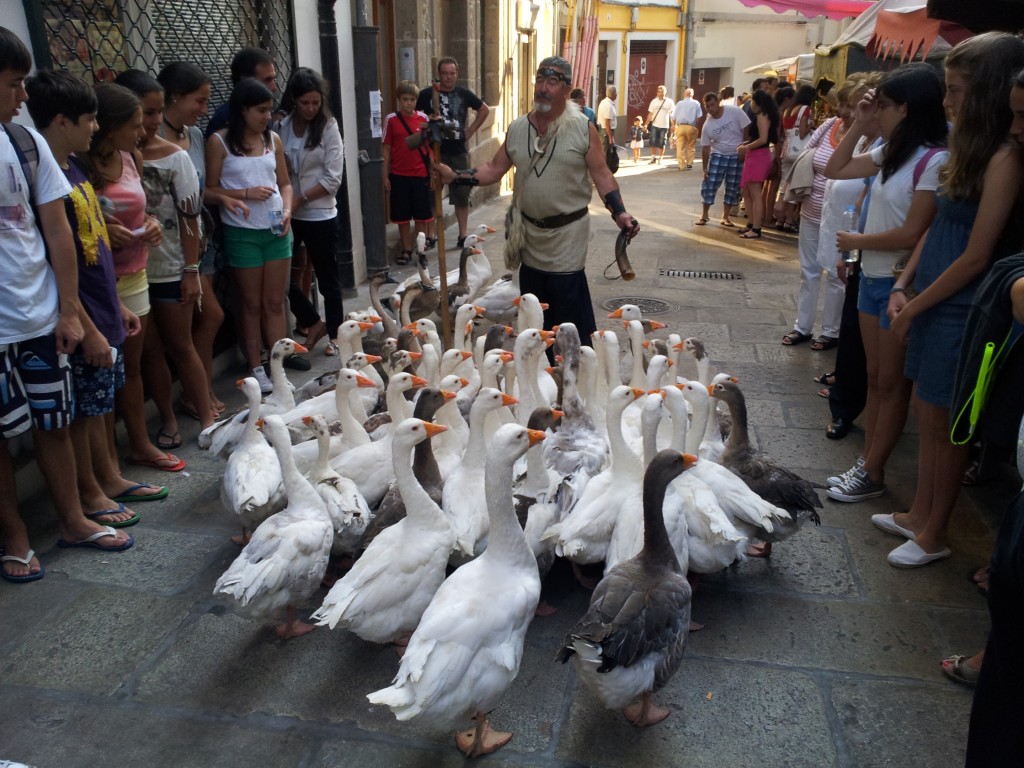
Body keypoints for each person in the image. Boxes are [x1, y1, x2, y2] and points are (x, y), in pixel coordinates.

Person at [876, 34, 1024, 567]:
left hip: (962, 304)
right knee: (927, 410)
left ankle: (934, 532)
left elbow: (976, 256)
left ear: (983, 92)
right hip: (931, 293)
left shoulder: (1004, 159)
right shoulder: (966, 148)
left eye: (956, 90)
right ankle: (918, 513)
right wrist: (903, 284)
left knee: (946, 422)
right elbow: (934, 227)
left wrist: (913, 303)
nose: (947, 101)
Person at [0, 26, 133, 583]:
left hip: (36, 315)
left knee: (55, 422)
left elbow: (59, 235)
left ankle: (74, 518)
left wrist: (69, 310)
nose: (22, 97)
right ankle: (15, 538)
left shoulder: (23, 146)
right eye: (12, 84)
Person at [25, 70, 160, 529]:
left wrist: (114, 308)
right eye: (89, 119)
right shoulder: (49, 178)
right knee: (81, 412)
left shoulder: (75, 169)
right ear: (63, 121)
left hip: (103, 304)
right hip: (81, 315)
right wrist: (86, 320)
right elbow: (56, 261)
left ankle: (109, 477)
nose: (95, 128)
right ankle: (91, 490)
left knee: (99, 404)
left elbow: (92, 245)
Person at [436, 56, 639, 341]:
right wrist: (455, 176)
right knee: (533, 306)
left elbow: (602, 174)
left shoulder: (583, 128)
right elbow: (494, 168)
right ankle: (539, 367)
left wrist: (620, 213)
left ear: (567, 90)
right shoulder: (518, 128)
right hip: (529, 235)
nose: (543, 88)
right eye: (540, 81)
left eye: (552, 82)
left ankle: (573, 365)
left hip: (568, 235)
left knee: (567, 307)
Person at [822, 63, 948, 503]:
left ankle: (873, 470)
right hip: (871, 276)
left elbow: (915, 232)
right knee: (876, 379)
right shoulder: (891, 150)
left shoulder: (934, 159)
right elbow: (835, 168)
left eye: (886, 105)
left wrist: (857, 240)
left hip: (897, 281)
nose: (880, 112)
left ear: (906, 109)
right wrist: (858, 122)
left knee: (892, 385)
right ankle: (867, 465)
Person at [84, 83, 184, 472]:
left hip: (136, 272)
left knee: (133, 364)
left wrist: (151, 223)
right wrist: (102, 233)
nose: (143, 132)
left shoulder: (132, 159)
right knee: (102, 370)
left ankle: (140, 443)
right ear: (109, 128)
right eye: (135, 125)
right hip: (99, 280)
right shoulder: (81, 165)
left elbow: (139, 210)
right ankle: (105, 460)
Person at [114, 70, 217, 439]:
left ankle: (206, 419)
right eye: (148, 112)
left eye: (159, 112)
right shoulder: (111, 160)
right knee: (150, 352)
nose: (155, 121)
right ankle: (168, 419)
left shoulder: (176, 157)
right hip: (132, 270)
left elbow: (191, 219)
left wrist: (191, 270)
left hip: (173, 266)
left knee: (182, 344)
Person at [206, 78, 293, 395]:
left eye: (269, 110)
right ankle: (255, 364)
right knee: (251, 303)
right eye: (260, 110)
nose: (267, 117)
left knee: (274, 301)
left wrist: (287, 210)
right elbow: (208, 190)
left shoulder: (272, 139)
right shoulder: (220, 143)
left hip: (275, 229)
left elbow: (285, 183)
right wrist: (243, 193)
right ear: (242, 110)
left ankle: (277, 363)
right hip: (242, 233)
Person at [157, 61, 225, 417]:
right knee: (207, 317)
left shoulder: (196, 136)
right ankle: (197, 392)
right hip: (171, 248)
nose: (203, 109)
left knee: (207, 317)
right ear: (175, 97)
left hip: (202, 240)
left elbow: (201, 190)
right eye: (198, 101)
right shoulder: (154, 140)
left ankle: (200, 388)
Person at [783, 81, 866, 351]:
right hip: (811, 210)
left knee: (836, 275)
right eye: (841, 104)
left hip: (844, 218)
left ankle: (831, 331)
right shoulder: (829, 126)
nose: (843, 111)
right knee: (808, 272)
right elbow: (805, 155)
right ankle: (802, 326)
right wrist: (792, 196)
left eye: (851, 107)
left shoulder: (867, 138)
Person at [277, 67, 345, 355]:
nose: (310, 108)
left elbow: (333, 178)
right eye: (305, 102)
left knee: (327, 278)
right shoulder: (282, 127)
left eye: (315, 103)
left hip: (319, 214)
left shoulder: (328, 126)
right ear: (294, 100)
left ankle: (336, 335)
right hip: (289, 212)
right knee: (282, 276)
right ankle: (311, 321)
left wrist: (300, 199)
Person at [416, 57, 488, 249]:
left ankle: (463, 234)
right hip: (434, 151)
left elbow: (484, 109)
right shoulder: (426, 95)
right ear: (439, 74)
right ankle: (431, 235)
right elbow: (415, 118)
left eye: (452, 73)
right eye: (445, 73)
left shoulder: (463, 94)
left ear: (457, 74)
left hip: (458, 151)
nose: (448, 77)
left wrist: (470, 131)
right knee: (432, 192)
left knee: (462, 192)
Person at [383, 80, 434, 267]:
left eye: (412, 99)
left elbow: (429, 149)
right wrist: (385, 175)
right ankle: (406, 248)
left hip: (420, 174)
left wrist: (432, 173)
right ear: (399, 100)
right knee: (402, 217)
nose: (408, 103)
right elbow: (386, 149)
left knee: (421, 217)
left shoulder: (423, 120)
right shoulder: (391, 120)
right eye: (405, 99)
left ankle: (420, 250)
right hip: (399, 174)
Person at [694, 91, 750, 228]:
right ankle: (704, 214)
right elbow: (706, 148)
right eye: (707, 106)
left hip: (736, 154)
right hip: (718, 154)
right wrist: (705, 168)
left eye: (712, 105)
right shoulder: (707, 125)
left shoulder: (734, 112)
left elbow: (746, 127)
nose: (711, 108)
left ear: (718, 102)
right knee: (710, 184)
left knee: (733, 186)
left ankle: (725, 216)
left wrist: (744, 146)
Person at [735, 90, 780, 239]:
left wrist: (746, 147)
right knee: (747, 192)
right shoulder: (761, 115)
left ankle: (756, 227)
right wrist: (746, 144)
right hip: (756, 155)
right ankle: (751, 223)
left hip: (759, 156)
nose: (751, 104)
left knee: (755, 193)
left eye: (752, 101)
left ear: (758, 103)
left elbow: (763, 139)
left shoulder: (762, 115)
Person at [206, 47, 278, 137]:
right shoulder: (224, 119)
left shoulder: (267, 115)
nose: (274, 87)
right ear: (245, 80)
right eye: (267, 80)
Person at [775, 84, 815, 232]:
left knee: (784, 182)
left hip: (787, 148)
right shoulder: (805, 109)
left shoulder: (787, 110)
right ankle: (789, 219)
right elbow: (803, 132)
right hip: (799, 151)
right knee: (794, 185)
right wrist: (811, 124)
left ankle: (780, 216)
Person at [670, 87, 702, 170]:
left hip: (680, 127)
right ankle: (689, 163)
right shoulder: (696, 103)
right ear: (692, 94)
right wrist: (696, 126)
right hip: (691, 126)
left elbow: (673, 116)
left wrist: (673, 126)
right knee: (691, 146)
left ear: (684, 94)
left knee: (680, 147)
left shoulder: (679, 103)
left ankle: (681, 165)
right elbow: (699, 116)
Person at [644, 85, 674, 165]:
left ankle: (660, 158)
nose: (660, 93)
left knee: (662, 142)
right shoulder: (654, 102)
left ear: (665, 92)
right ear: (657, 93)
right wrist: (646, 124)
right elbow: (650, 114)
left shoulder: (669, 102)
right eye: (659, 92)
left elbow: (672, 115)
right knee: (653, 141)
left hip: (664, 126)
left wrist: (673, 125)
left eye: (662, 92)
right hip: (655, 125)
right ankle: (653, 157)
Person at [597, 85, 618, 155]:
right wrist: (610, 137)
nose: (617, 94)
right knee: (605, 152)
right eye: (616, 93)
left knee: (606, 152)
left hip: (604, 131)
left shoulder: (605, 102)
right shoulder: (608, 105)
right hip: (606, 131)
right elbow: (607, 122)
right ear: (612, 94)